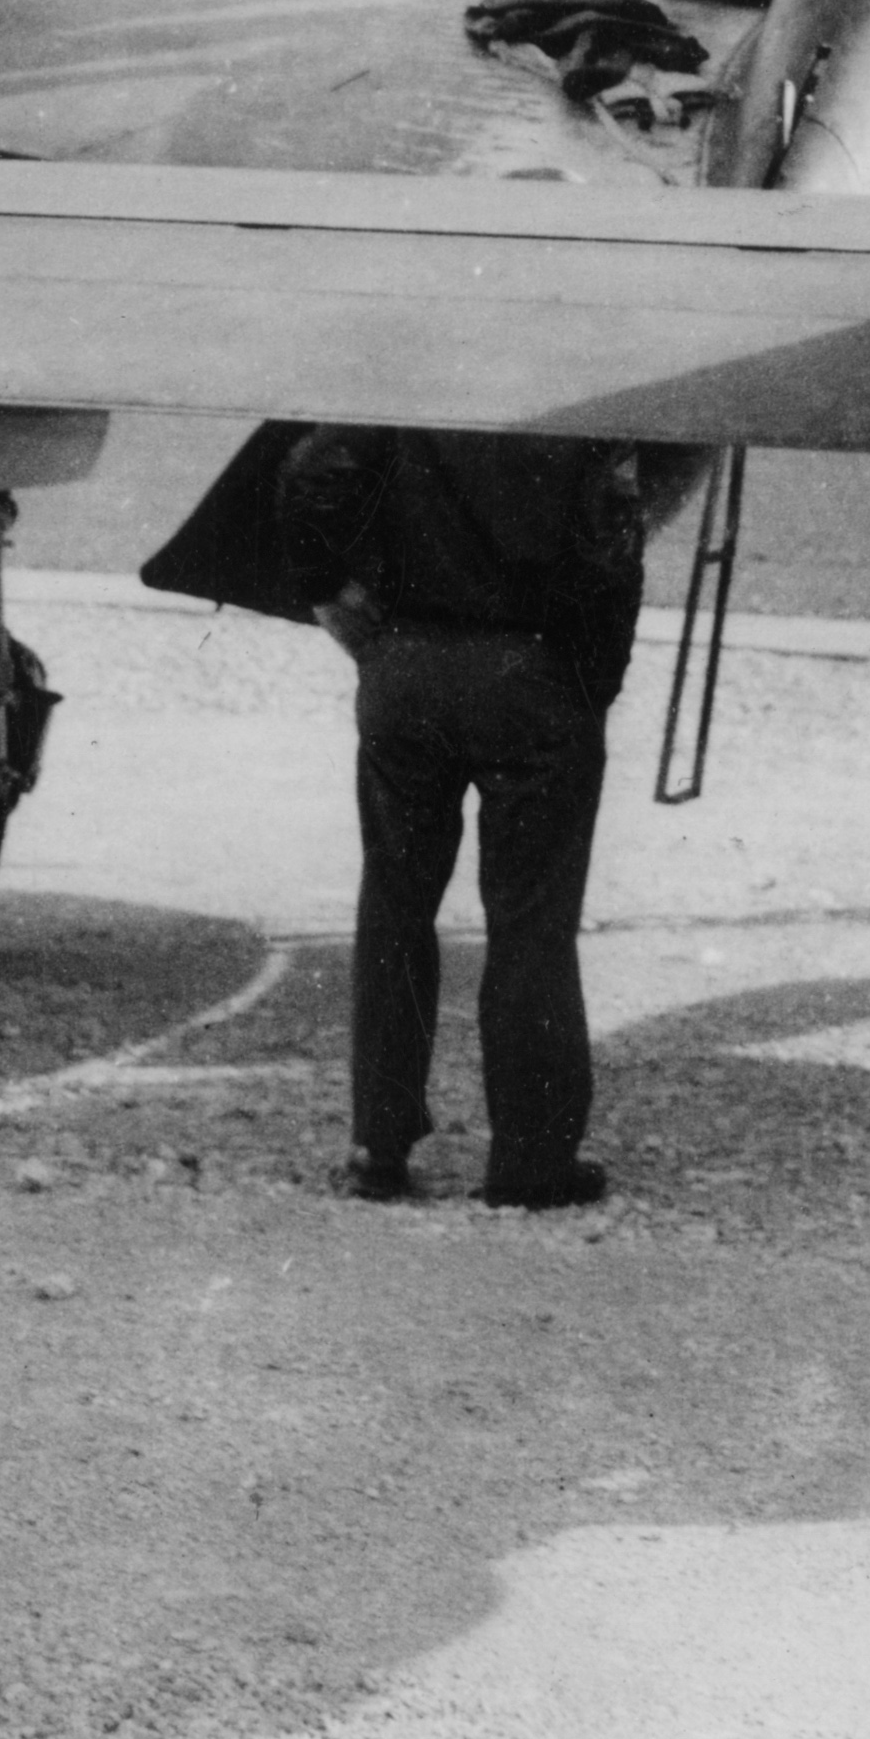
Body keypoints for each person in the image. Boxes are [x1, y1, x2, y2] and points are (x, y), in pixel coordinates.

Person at [274, 423, 659, 1206]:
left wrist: (326, 587)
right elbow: (610, 542)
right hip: (534, 672)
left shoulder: (419, 368)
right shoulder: (590, 381)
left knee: (393, 905)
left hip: (403, 665)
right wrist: (591, 687)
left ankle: (375, 1145)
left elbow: (310, 470)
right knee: (530, 923)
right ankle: (530, 1158)